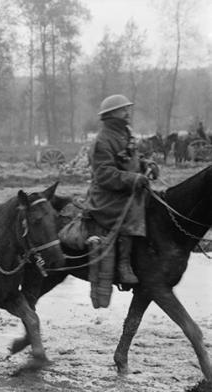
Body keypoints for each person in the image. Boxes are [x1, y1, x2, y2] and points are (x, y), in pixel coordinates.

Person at [84, 94, 152, 285]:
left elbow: (131, 160)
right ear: (113, 114)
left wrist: (147, 165)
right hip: (109, 195)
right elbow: (104, 174)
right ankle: (124, 265)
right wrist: (133, 178)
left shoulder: (126, 133)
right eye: (123, 110)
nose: (127, 113)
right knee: (132, 213)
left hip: (129, 189)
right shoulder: (103, 140)